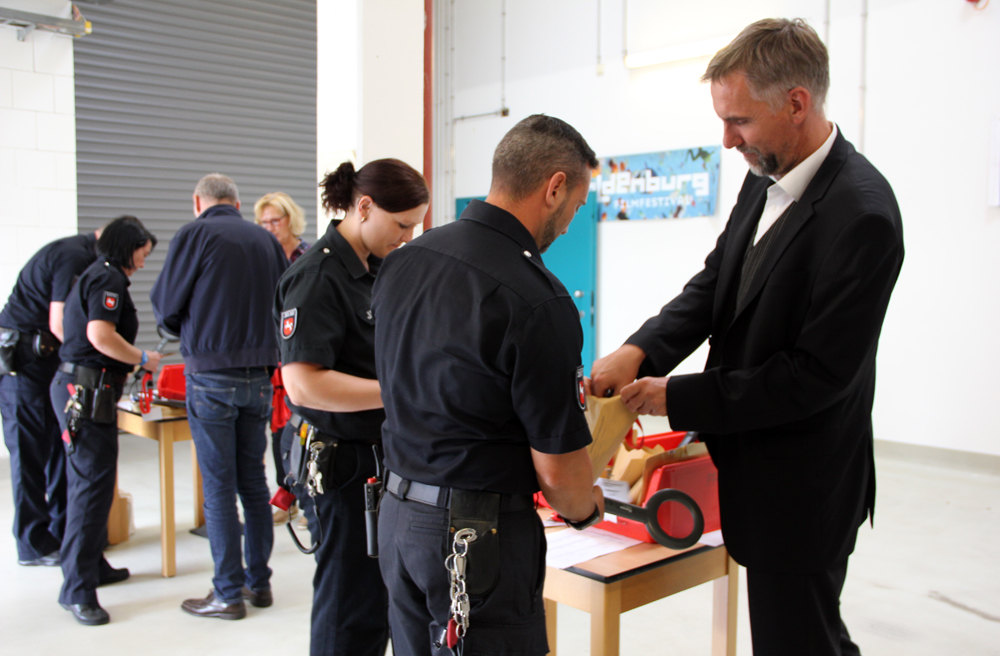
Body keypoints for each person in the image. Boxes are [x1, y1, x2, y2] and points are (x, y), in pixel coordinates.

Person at [589, 19, 905, 656]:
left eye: (739, 121)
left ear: (797, 103)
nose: (727, 140)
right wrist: (641, 349)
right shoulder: (765, 172)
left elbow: (813, 377)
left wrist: (677, 397)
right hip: (753, 467)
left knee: (799, 639)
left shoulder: (863, 217)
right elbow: (718, 283)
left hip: (802, 485)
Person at [372, 114, 605, 656]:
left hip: (398, 518)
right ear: (554, 188)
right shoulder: (538, 299)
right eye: (576, 205)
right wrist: (586, 507)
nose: (568, 224)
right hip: (475, 540)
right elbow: (560, 473)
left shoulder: (404, 262)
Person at [274, 158, 429, 656]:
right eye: (401, 224)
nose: (407, 237)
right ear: (364, 207)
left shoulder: (376, 268)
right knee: (349, 606)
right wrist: (397, 390)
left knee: (378, 600)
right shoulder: (317, 276)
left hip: (379, 458)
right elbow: (302, 384)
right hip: (339, 464)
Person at [150, 173, 288, 620]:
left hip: (211, 374)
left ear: (198, 202)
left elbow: (167, 306)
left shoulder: (195, 234)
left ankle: (227, 593)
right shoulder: (265, 240)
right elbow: (284, 302)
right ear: (238, 203)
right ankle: (259, 584)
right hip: (260, 377)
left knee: (219, 488)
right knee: (254, 483)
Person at [49, 216, 162, 625]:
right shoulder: (108, 279)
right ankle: (77, 590)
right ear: (126, 246)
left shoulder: (98, 274)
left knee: (93, 486)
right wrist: (143, 358)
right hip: (87, 391)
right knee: (90, 490)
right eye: (142, 253)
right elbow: (100, 335)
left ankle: (92, 565)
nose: (143, 262)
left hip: (86, 389)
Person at [1, 228, 101, 568]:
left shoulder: (84, 257)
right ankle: (32, 544)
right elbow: (60, 324)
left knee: (61, 447)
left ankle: (62, 531)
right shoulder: (73, 256)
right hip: (22, 367)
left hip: (46, 366)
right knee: (28, 454)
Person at [253, 191, 311, 527]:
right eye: (264, 222)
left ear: (291, 220)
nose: (270, 227)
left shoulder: (306, 257)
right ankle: (286, 496)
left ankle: (307, 500)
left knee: (300, 425)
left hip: (302, 354)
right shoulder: (261, 256)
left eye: (275, 220)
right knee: (277, 431)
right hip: (272, 356)